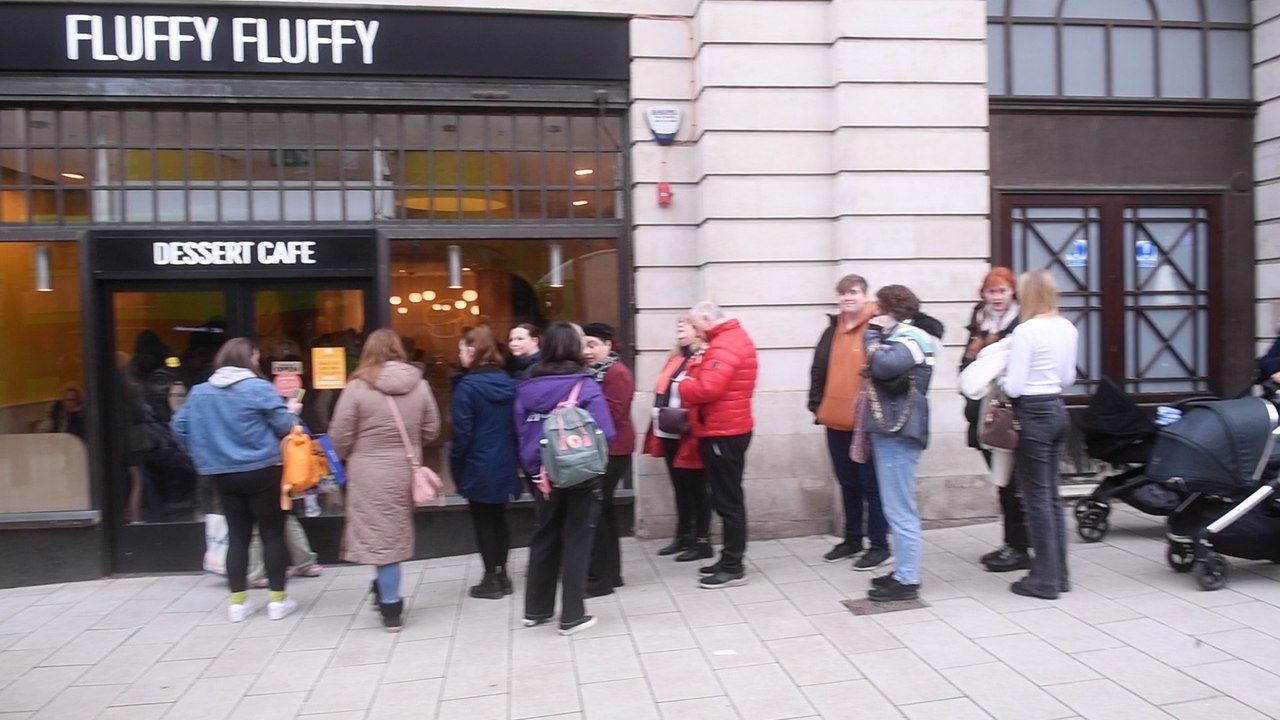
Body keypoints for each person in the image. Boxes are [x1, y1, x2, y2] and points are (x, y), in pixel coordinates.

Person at [171, 337, 303, 623]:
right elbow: (285, 426)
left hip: (222, 474)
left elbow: (179, 427)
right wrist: (292, 412)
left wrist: (201, 452)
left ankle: (238, 604)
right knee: (271, 534)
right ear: (248, 358)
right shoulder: (258, 388)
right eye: (256, 358)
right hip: (263, 470)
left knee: (238, 536)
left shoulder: (200, 392)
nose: (258, 363)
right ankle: (278, 601)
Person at [328, 328, 442, 632]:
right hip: (404, 471)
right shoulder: (420, 385)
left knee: (383, 542)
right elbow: (431, 430)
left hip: (367, 472)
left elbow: (339, 437)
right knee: (390, 535)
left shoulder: (356, 387)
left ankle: (392, 606)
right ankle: (382, 591)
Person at [514, 322, 616, 635]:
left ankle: (536, 610)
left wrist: (533, 466)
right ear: (574, 348)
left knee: (544, 535)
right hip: (580, 474)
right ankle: (572, 615)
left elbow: (519, 432)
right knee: (577, 539)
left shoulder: (525, 388)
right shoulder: (585, 386)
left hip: (541, 474)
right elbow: (607, 432)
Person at [1001, 269, 1078, 600]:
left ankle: (1044, 579)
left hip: (1032, 412)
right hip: (1058, 410)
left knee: (1036, 499)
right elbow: (1068, 377)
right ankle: (1059, 574)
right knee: (1052, 497)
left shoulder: (1026, 331)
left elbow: (1015, 386)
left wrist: (1000, 380)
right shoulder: (1067, 328)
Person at [856, 285, 936, 602]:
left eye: (878, 309)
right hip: (892, 429)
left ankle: (908, 579)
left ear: (891, 310)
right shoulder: (903, 336)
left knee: (900, 509)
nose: (873, 314)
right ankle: (903, 570)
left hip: (899, 431)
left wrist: (873, 335)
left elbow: (884, 366)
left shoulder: (912, 338)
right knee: (895, 507)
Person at [808, 274, 892, 571]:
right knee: (847, 483)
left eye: (853, 292)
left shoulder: (879, 325)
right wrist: (816, 404)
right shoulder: (832, 329)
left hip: (867, 421)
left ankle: (880, 545)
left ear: (865, 295)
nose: (847, 298)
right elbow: (818, 368)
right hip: (834, 418)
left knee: (872, 484)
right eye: (842, 293)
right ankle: (852, 538)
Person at [676, 301, 758, 589]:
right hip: (726, 428)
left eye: (697, 326)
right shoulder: (730, 339)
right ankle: (728, 559)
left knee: (728, 501)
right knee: (727, 498)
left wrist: (684, 383)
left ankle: (733, 566)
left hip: (724, 431)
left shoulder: (724, 345)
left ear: (708, 319)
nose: (697, 333)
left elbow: (707, 388)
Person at [960, 267, 1029, 573]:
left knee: (1015, 485)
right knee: (1003, 485)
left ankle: (1020, 547)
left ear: (1012, 292)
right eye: (992, 291)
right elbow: (967, 365)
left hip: (1008, 415)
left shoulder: (1021, 324)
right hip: (983, 415)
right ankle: (1012, 543)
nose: (997, 297)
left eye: (1002, 291)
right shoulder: (980, 321)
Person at [450, 324, 522, 600]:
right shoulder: (510, 383)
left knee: (483, 521)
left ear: (472, 350)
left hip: (477, 462)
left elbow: (462, 434)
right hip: (505, 459)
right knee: (499, 518)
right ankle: (502, 574)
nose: (459, 355)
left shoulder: (467, 387)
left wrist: (456, 464)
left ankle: (491, 578)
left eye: (461, 349)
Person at [643, 313, 712, 562]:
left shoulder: (703, 356)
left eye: (687, 324)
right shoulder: (675, 357)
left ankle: (702, 539)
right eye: (679, 324)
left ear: (699, 330)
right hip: (669, 428)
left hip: (690, 431)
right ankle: (683, 536)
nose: (680, 328)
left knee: (696, 487)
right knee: (679, 486)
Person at [581, 322, 635, 598]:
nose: (587, 351)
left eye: (593, 345)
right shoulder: (593, 372)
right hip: (602, 447)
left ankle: (602, 578)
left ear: (608, 345)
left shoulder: (617, 373)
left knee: (598, 511)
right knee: (604, 511)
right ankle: (612, 573)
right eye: (584, 345)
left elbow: (611, 413)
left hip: (614, 449)